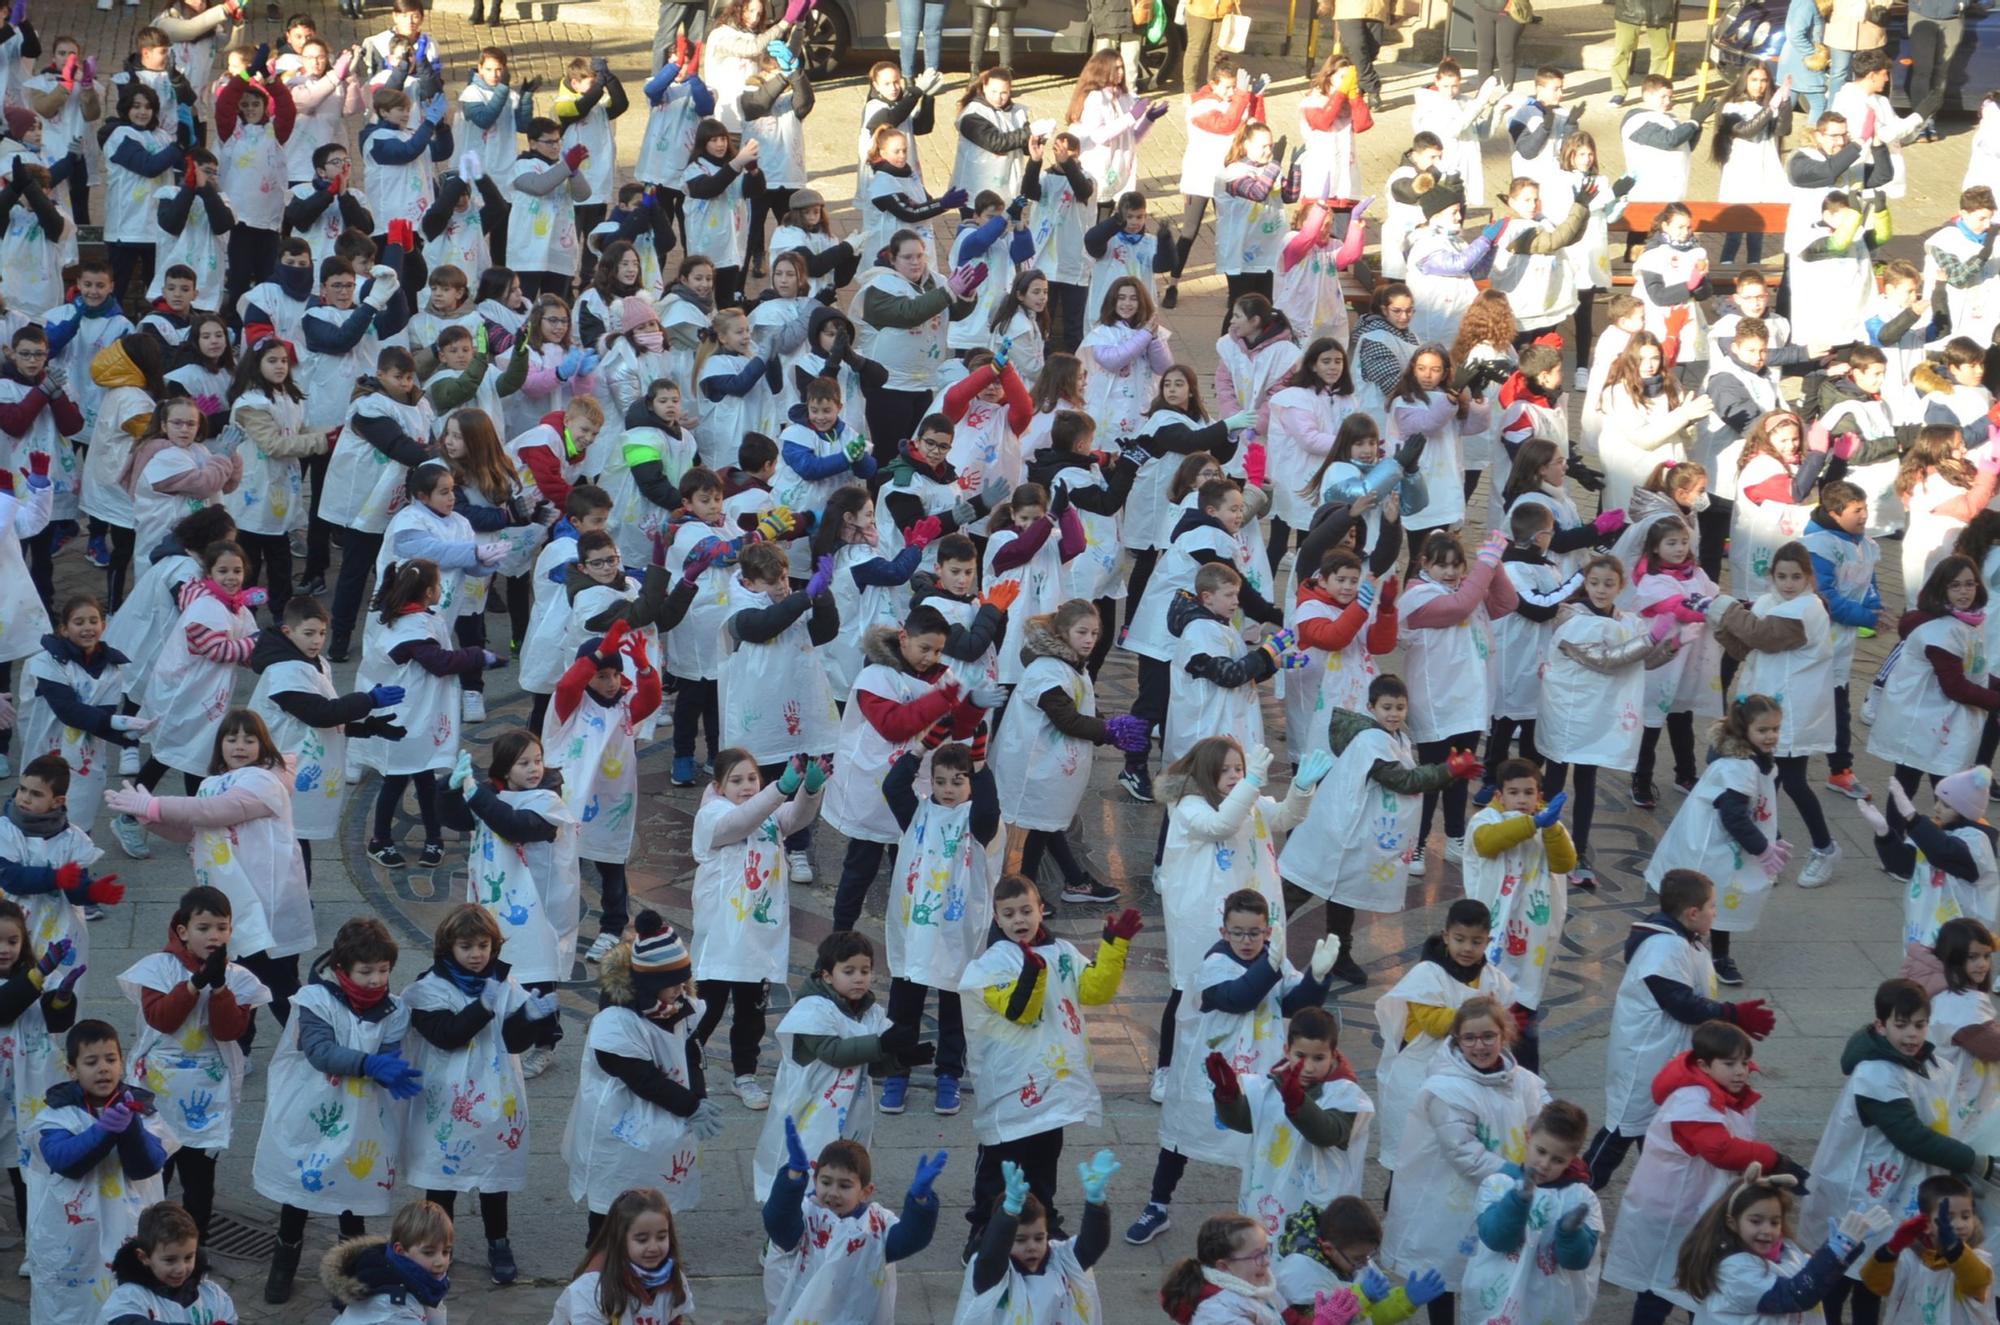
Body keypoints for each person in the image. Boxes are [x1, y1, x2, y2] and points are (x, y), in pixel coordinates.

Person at [958, 875, 1139, 1257]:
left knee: (1043, 1161)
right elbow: (1019, 1011)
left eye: (1026, 910)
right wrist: (1033, 972)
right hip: (1011, 1085)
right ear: (996, 917)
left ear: (1041, 909)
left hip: (1051, 1085)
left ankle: (1043, 1222)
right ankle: (986, 1228)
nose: (1019, 920)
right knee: (999, 1164)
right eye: (1009, 914)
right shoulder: (990, 965)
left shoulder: (1064, 951)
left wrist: (1114, 947)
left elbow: (1093, 990)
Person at [1803, 978, 2000, 1325]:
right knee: (1846, 1271)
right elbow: (1911, 1136)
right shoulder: (1875, 1075)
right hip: (1863, 1190)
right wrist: (1974, 1162)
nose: (1912, 1034)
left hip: (1898, 1189)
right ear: (1881, 1025)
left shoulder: (1931, 1063)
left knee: (1876, 1275)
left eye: (1920, 1025)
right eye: (1901, 1024)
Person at [250, 916, 416, 1304]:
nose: (376, 980)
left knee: (351, 1202)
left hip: (361, 1121)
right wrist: (369, 1064)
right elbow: (320, 1051)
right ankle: (283, 1265)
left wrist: (391, 1069)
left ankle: (348, 1276)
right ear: (341, 969)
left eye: (383, 971)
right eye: (366, 972)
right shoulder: (314, 1001)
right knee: (298, 1194)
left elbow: (389, 1049)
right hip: (312, 1114)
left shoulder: (394, 1010)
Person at [1602, 1020, 1805, 1325]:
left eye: (1745, 1062)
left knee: (1697, 1283)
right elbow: (1720, 1150)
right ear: (1704, 1066)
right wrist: (1774, 1159)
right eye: (1730, 1063)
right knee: (1659, 1288)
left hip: (1694, 1210)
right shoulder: (1691, 1100)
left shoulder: (1723, 1094)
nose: (1740, 1070)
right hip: (1669, 1214)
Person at [400, 903, 560, 1284]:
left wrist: (531, 1018)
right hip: (445, 1102)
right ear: (448, 948)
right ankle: (437, 1242)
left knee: (494, 1172)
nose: (476, 955)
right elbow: (448, 1035)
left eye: (484, 946)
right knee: (442, 1179)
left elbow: (513, 1042)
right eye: (467, 946)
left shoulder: (506, 986)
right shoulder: (427, 990)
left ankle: (498, 1240)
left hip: (495, 1098)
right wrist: (483, 1007)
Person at [1587, 869, 1776, 1190]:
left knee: (1659, 1130)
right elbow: (1682, 1004)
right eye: (1712, 906)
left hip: (1663, 1057)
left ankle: (1662, 1192)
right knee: (1621, 1131)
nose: (1716, 912)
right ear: (1692, 913)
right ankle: (1577, 1188)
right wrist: (1733, 1013)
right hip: (1644, 1060)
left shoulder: (1681, 941)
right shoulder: (1665, 948)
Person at [1379, 997, 1550, 1325]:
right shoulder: (1446, 1089)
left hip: (1505, 1193)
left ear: (1504, 1035)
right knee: (1445, 1266)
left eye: (1488, 1036)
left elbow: (1544, 1119)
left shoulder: (1522, 1081)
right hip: (1451, 1197)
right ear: (1456, 1040)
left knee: (1494, 1268)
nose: (1479, 1045)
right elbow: (1462, 1152)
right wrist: (1515, 1174)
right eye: (1469, 1038)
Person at [114, 885, 269, 1239]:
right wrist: (193, 985)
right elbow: (161, 1019)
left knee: (199, 1181)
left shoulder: (239, 979)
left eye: (221, 927)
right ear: (183, 931)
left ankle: (194, 1249)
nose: (213, 936)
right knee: (156, 1175)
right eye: (204, 928)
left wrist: (219, 989)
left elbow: (230, 1030)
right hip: (158, 1091)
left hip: (207, 1095)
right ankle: (149, 1244)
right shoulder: (157, 969)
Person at [689, 747, 825, 1112]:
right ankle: (682, 1064)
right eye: (736, 781)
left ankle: (744, 1075)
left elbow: (796, 817)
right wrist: (781, 788)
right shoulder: (712, 816)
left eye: (752, 778)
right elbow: (741, 822)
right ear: (718, 786)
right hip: (721, 937)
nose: (747, 786)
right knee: (706, 1008)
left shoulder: (769, 815)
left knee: (751, 1013)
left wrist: (809, 790)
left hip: (758, 938)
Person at [563, 913, 717, 1231]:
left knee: (657, 1196)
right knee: (614, 1199)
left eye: (681, 982)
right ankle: (601, 1257)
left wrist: (698, 1097)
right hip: (620, 1122)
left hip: (670, 1108)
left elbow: (691, 1053)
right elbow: (641, 1078)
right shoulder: (617, 1022)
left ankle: (653, 1251)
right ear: (649, 984)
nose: (678, 990)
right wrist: (689, 1105)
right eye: (670, 984)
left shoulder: (680, 1006)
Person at [27, 1020, 173, 1325]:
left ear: (122, 1062)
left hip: (130, 1228)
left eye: (110, 1059)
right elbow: (64, 1160)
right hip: (74, 1239)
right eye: (91, 1062)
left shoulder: (141, 1109)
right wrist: (104, 1131)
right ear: (72, 1070)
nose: (103, 1068)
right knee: (73, 1309)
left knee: (129, 1302)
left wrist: (130, 1128)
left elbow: (148, 1164)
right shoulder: (57, 1114)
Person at [1209, 1004, 1373, 1240]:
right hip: (1270, 1195)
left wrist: (1297, 1104)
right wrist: (1227, 1096)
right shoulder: (1274, 1083)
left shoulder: (1347, 1095)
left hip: (1316, 1206)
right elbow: (1247, 1120)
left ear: (1334, 1054)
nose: (1308, 1067)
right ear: (1287, 1051)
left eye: (1319, 1058)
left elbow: (1328, 1133)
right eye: (1300, 1056)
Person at [762, 1125, 945, 1320]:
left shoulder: (876, 1225)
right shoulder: (807, 1214)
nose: (833, 1192)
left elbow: (909, 1239)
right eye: (825, 1182)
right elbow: (779, 1225)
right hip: (804, 1313)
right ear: (815, 1180)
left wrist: (920, 1202)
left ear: (866, 1191)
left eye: (844, 1186)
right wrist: (792, 1177)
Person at [1676, 1172, 1883, 1325]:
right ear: (1732, 1223)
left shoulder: (1787, 1253)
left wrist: (1848, 1247)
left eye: (1775, 1222)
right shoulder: (1735, 1271)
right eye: (1756, 1221)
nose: (1767, 1230)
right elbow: (1797, 1294)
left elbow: (1817, 1278)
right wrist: (1837, 1249)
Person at [1464, 1100, 1604, 1325]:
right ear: (1529, 1138)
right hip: (1495, 1299)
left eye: (1558, 1160)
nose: (1545, 1164)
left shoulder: (1581, 1198)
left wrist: (1570, 1233)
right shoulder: (1498, 1184)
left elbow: (1578, 1260)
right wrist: (1518, 1201)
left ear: (1573, 1159)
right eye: (1541, 1151)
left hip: (1549, 1306)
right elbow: (1496, 1239)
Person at [958, 1148, 1116, 1324]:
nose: (1032, 1246)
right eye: (1020, 1240)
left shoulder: (1062, 1261)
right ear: (1002, 1240)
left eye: (1039, 1238)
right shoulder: (993, 1274)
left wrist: (1096, 1204)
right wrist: (1008, 1213)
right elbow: (990, 1260)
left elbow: (1092, 1246)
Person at [550, 1185, 695, 1324]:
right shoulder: (593, 1290)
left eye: (662, 1237)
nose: (654, 1247)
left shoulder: (673, 1278)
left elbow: (674, 1320)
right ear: (619, 1240)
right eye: (642, 1239)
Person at [100, 1200, 240, 1323]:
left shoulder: (213, 1296)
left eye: (188, 1257)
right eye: (170, 1260)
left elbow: (229, 1318)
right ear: (144, 1257)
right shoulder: (130, 1298)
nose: (181, 1268)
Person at [319, 1199, 456, 1324]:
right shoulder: (394, 1308)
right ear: (400, 1250)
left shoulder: (419, 1279)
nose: (440, 1262)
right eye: (428, 1252)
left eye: (446, 1252)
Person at [1157, 1212, 1284, 1324]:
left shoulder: (1257, 1283)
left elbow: (1289, 1317)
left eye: (1266, 1250)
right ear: (1223, 1266)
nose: (1267, 1261)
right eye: (1257, 1255)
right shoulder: (1218, 1314)